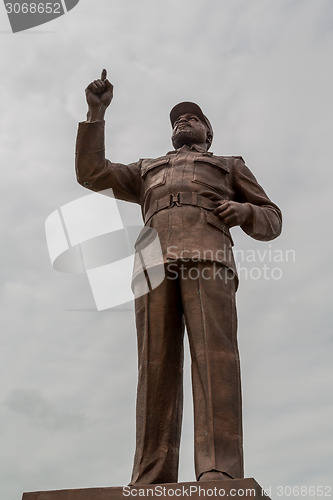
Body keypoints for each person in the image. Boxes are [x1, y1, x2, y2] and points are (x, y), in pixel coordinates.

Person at [75, 70, 282, 485]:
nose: (182, 123)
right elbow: (92, 173)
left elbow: (272, 218)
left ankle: (218, 469)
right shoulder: (147, 168)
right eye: (176, 121)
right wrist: (95, 114)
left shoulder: (227, 165)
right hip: (152, 263)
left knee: (215, 362)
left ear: (208, 133)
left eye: (192, 119)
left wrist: (245, 212)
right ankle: (151, 474)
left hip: (207, 255)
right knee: (154, 367)